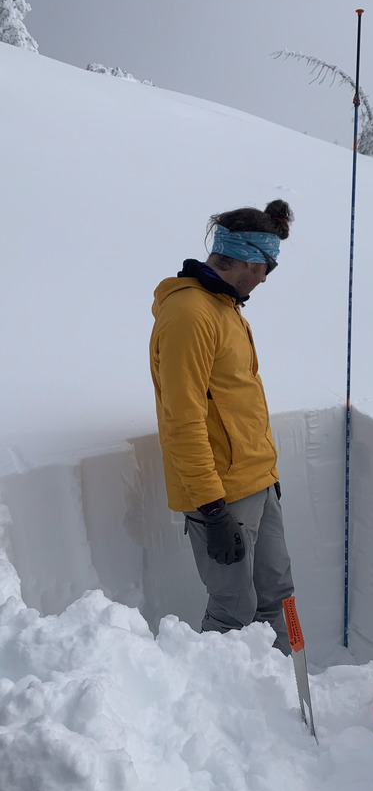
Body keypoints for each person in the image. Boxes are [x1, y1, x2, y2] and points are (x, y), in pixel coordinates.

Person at [150, 199, 295, 654]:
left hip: (257, 483)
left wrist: (268, 476)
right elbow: (184, 419)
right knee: (234, 607)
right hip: (221, 495)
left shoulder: (227, 307)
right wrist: (211, 510)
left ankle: (289, 692)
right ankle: (222, 710)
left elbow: (235, 402)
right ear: (247, 259)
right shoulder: (192, 314)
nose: (267, 277)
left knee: (279, 594)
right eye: (266, 265)